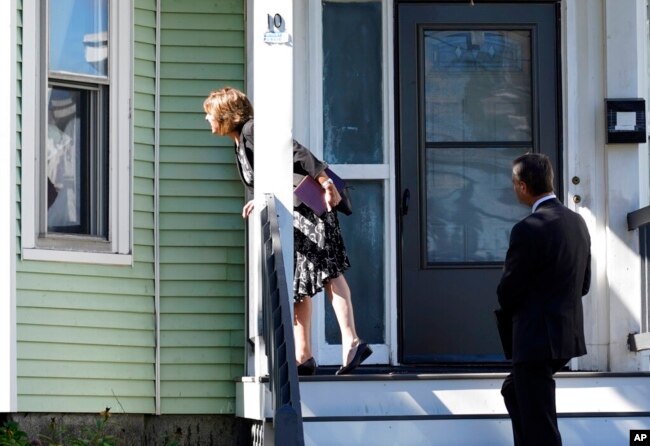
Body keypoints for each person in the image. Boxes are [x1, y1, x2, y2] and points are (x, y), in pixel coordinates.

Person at [203, 86, 372, 376]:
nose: (207, 120)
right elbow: (271, 173)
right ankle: (303, 356)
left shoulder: (251, 130)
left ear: (225, 114)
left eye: (210, 114)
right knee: (300, 283)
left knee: (329, 272)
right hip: (293, 212)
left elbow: (294, 151)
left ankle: (352, 342)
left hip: (308, 206)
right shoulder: (240, 142)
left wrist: (325, 182)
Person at [496, 153, 591, 446]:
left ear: (523, 186)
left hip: (536, 339)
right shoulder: (577, 222)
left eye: (514, 183)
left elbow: (508, 290)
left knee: (541, 424)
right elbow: (584, 284)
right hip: (565, 336)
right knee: (514, 391)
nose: (513, 188)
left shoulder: (528, 228)